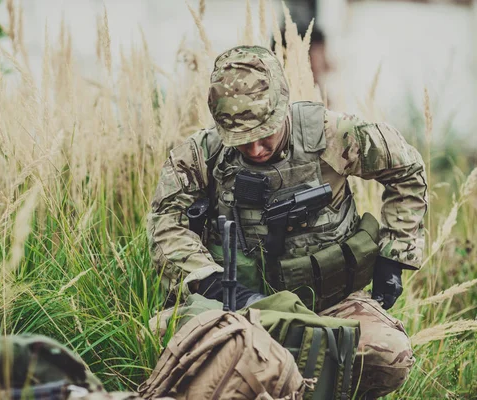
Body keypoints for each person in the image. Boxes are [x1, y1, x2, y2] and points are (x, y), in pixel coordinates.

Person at [147, 45, 427, 398]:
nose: (256, 150)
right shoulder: (202, 153)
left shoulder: (333, 135)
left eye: (265, 134)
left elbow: (407, 171)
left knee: (389, 355)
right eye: (243, 141)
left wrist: (394, 255)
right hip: (234, 305)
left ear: (282, 110)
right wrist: (207, 278)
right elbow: (164, 223)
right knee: (169, 341)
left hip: (327, 303)